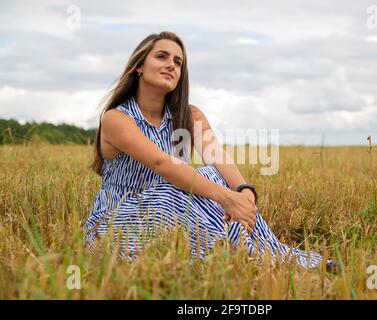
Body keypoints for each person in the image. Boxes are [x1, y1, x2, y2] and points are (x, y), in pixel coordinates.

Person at [83, 31, 338, 272]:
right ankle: (241, 256)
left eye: (178, 62)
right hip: (119, 222)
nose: (172, 65)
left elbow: (216, 155)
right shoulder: (116, 119)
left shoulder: (189, 115)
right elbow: (163, 164)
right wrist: (226, 199)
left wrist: (244, 192)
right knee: (177, 189)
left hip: (174, 213)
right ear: (139, 66)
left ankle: (275, 256)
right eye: (161, 56)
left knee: (212, 175)